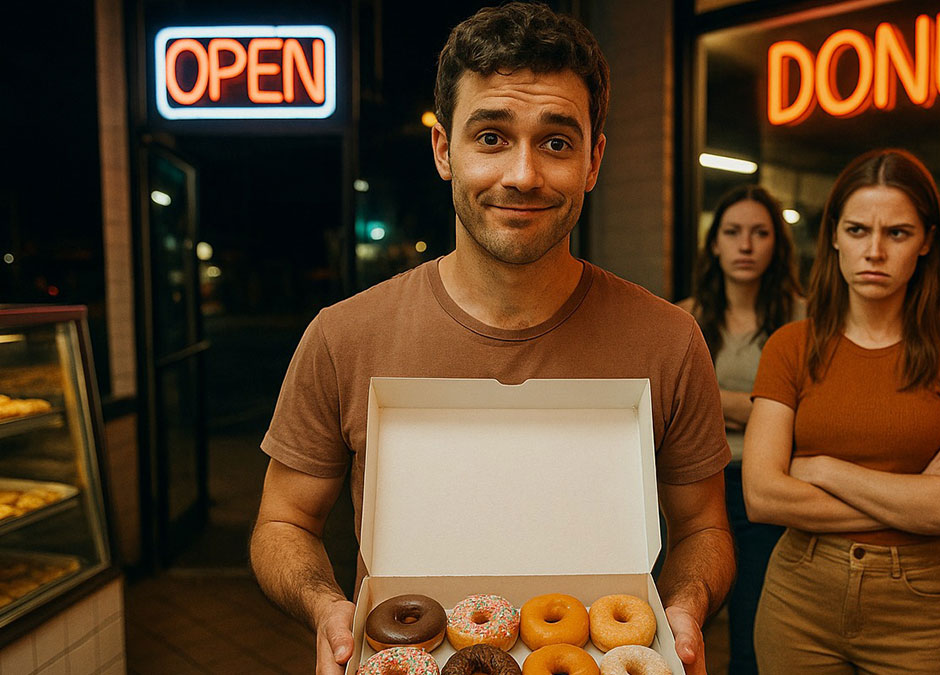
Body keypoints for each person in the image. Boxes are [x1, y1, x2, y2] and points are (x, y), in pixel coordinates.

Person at [248, 5, 734, 674]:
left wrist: (683, 605)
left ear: (593, 160)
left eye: (557, 142)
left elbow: (704, 527)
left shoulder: (669, 340)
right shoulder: (344, 335)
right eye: (492, 137)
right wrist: (328, 607)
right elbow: (284, 522)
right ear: (445, 150)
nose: (524, 174)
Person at [742, 148, 940, 674]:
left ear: (928, 241)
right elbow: (762, 496)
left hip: (919, 606)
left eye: (898, 233)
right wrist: (917, 497)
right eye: (859, 230)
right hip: (800, 596)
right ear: (835, 236)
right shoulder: (791, 345)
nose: (875, 251)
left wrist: (821, 469)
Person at [677, 185, 802, 675]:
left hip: (766, 487)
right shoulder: (683, 319)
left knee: (755, 626)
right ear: (715, 243)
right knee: (684, 618)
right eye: (732, 232)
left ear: (778, 245)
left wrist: (714, 402)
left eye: (760, 233)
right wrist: (767, 408)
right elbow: (672, 410)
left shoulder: (803, 318)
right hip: (694, 484)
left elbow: (809, 414)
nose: (745, 245)